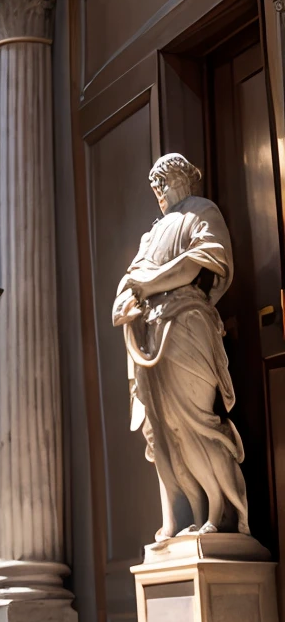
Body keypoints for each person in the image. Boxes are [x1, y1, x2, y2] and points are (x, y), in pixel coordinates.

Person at [113, 152, 250, 542]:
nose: (159, 192)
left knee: (196, 421)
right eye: (156, 186)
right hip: (151, 334)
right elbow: (127, 284)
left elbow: (194, 265)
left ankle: (221, 511)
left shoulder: (202, 211)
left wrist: (145, 285)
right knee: (164, 430)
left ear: (179, 180)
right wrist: (130, 295)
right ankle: (181, 515)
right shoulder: (152, 234)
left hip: (187, 323)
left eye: (162, 183)